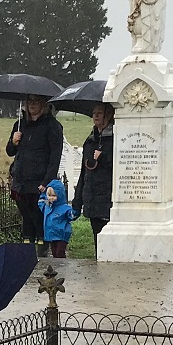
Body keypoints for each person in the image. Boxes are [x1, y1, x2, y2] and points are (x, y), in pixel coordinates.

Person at [5, 94, 64, 257]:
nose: (31, 104)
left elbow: (55, 156)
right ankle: (26, 249)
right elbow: (10, 152)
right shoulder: (19, 125)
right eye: (29, 101)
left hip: (39, 180)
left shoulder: (52, 126)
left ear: (44, 104)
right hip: (21, 180)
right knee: (26, 217)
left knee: (39, 217)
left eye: (36, 101)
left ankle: (41, 251)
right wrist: (13, 142)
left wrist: (47, 181)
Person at [72, 103, 115, 253]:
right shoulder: (90, 141)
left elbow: (119, 166)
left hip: (107, 196)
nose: (95, 116)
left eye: (100, 113)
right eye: (94, 113)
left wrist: (103, 158)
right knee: (97, 237)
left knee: (110, 241)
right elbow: (85, 172)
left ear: (108, 116)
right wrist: (78, 201)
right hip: (92, 196)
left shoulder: (115, 139)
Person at [39, 179, 74, 258]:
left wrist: (74, 212)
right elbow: (40, 202)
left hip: (62, 235)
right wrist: (43, 193)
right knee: (54, 253)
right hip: (51, 235)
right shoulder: (47, 206)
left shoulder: (64, 208)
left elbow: (71, 215)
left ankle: (62, 267)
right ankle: (58, 267)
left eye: (54, 196)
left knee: (60, 253)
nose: (51, 198)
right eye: (49, 195)